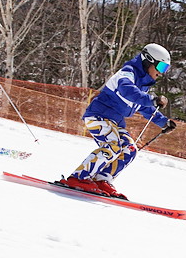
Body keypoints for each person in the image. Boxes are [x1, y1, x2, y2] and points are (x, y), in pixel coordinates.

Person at [60, 43, 177, 199]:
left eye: (165, 70)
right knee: (113, 145)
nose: (161, 73)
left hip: (115, 122)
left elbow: (144, 107)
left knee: (130, 149)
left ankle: (101, 179)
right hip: (98, 116)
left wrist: (163, 122)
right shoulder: (127, 73)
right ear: (148, 60)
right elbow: (127, 91)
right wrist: (152, 100)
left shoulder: (143, 85)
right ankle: (78, 177)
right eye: (161, 67)